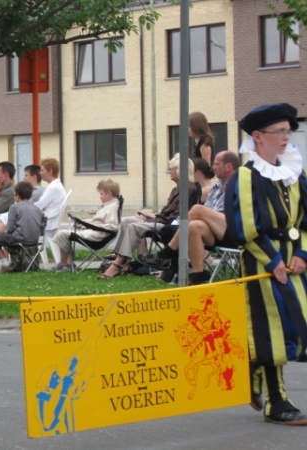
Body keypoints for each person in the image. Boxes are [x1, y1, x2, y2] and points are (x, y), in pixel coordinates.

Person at [225, 103, 307, 425]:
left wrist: (301, 253)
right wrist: (272, 259)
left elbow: (303, 221)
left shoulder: (294, 173)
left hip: (293, 261)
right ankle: (277, 401)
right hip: (262, 261)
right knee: (272, 329)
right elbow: (244, 226)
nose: (287, 137)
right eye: (280, 131)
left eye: (288, 130)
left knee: (295, 323)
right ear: (258, 137)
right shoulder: (246, 175)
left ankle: (253, 363)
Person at [137, 151, 240, 284]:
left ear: (228, 166)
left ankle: (165, 254)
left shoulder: (240, 184)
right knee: (193, 226)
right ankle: (198, 276)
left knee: (197, 209)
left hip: (235, 231)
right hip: (216, 232)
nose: (213, 167)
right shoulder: (216, 188)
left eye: (216, 164)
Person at [99, 154, 199, 279]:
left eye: (172, 168)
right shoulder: (176, 190)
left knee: (134, 226)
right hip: (163, 221)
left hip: (171, 227)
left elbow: (177, 217)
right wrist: (151, 217)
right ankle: (119, 256)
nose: (169, 171)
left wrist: (152, 217)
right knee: (127, 221)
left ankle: (117, 265)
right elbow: (166, 213)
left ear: (180, 170)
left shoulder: (189, 189)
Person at [52, 179, 120, 273]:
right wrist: (86, 223)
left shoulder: (112, 207)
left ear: (109, 193)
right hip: (95, 233)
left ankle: (64, 265)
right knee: (65, 234)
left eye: (101, 194)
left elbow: (113, 227)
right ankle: (68, 264)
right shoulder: (109, 205)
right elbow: (100, 222)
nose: (100, 197)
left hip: (97, 237)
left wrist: (90, 225)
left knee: (63, 234)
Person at [0, 181, 43, 273]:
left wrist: (4, 238)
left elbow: (10, 229)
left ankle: (5, 263)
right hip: (34, 241)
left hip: (19, 239)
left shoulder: (14, 207)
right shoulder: (36, 208)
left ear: (17, 195)